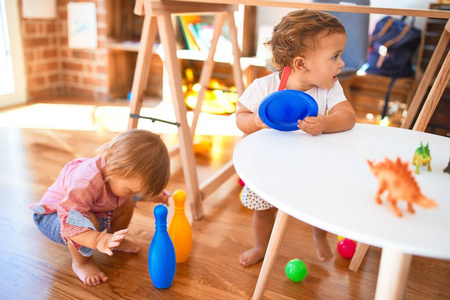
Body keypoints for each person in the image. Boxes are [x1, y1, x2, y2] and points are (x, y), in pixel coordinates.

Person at [236, 9, 356, 267]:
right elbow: (240, 117)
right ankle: (260, 246)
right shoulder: (264, 88)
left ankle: (319, 234)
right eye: (334, 56)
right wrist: (255, 121)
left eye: (340, 55)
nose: (341, 63)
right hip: (269, 166)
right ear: (302, 64)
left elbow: (348, 116)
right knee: (263, 209)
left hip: (313, 167)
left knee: (320, 207)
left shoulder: (330, 87)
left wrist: (326, 123)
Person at [30, 129, 171, 285]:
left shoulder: (116, 175)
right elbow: (71, 221)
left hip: (86, 211)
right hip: (55, 217)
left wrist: (153, 194)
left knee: (127, 203)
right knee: (87, 219)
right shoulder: (86, 181)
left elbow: (130, 190)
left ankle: (114, 240)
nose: (135, 194)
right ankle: (82, 263)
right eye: (132, 191)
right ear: (115, 170)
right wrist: (97, 239)